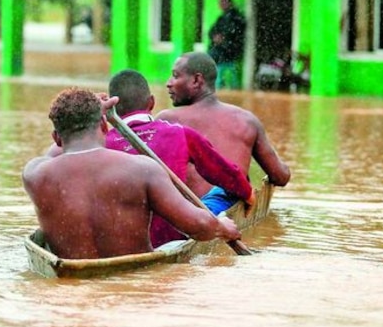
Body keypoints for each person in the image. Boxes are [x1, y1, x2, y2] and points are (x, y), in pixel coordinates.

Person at [22, 87, 241, 260]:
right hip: (136, 279)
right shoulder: (143, 168)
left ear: (56, 137)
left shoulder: (34, 174)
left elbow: (53, 153)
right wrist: (221, 227)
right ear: (104, 126)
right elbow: (197, 227)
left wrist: (74, 125)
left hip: (71, 282)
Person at [104, 69, 255, 247]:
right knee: (230, 187)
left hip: (120, 239)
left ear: (112, 107)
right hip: (175, 233)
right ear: (151, 102)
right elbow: (224, 173)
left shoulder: (100, 143)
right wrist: (247, 194)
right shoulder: (179, 133)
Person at [158, 52, 291, 212]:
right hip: (221, 214)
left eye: (175, 76)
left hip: (184, 216)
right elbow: (280, 177)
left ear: (196, 80)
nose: (168, 83)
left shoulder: (166, 120)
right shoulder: (247, 120)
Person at [207, 0, 246, 90]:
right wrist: (215, 37)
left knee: (215, 58)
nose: (220, 4)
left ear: (229, 2)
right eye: (219, 2)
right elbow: (211, 31)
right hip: (221, 49)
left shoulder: (236, 17)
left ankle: (221, 85)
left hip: (229, 49)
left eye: (223, 1)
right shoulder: (222, 17)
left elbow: (236, 32)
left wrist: (224, 38)